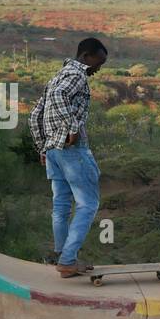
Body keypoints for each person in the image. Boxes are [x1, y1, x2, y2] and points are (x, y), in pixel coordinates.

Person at [29, 37, 107, 277]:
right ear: (86, 56)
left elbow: (34, 116)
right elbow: (61, 97)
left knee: (61, 206)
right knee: (88, 203)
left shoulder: (56, 77)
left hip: (53, 151)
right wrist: (73, 127)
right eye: (98, 63)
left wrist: (43, 148)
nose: (97, 69)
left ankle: (63, 257)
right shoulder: (76, 75)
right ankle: (68, 259)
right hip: (72, 151)